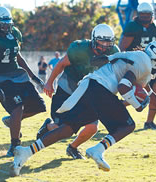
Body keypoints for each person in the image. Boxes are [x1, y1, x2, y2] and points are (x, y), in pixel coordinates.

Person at [10, 41, 156, 177]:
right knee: (128, 125)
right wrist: (137, 104)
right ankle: (97, 150)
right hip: (101, 88)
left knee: (68, 128)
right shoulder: (145, 64)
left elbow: (146, 93)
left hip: (90, 86)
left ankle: (25, 152)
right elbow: (123, 86)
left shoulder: (139, 58)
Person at [39, 24, 120, 160]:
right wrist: (49, 82)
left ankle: (73, 148)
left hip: (88, 92)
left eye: (108, 42)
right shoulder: (80, 49)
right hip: (69, 87)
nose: (105, 46)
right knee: (63, 128)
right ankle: (48, 127)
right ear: (94, 39)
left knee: (92, 127)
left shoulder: (114, 52)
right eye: (102, 41)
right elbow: (61, 64)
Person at [0, 6, 46, 157]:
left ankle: (12, 121)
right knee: (17, 107)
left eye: (8, 22)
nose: (6, 25)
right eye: (3, 22)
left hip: (18, 75)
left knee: (39, 106)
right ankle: (15, 144)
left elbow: (18, 57)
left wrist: (33, 76)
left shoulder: (14, 33)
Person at [119, 2, 156, 130]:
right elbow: (123, 48)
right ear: (138, 14)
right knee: (140, 93)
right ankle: (119, 105)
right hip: (136, 65)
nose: (145, 17)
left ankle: (149, 122)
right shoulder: (132, 27)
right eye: (143, 14)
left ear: (152, 15)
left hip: (152, 64)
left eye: (148, 14)